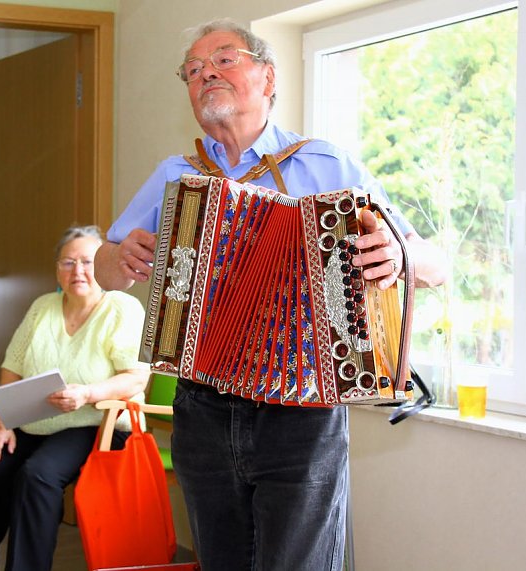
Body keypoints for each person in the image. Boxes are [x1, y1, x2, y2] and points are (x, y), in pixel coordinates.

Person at [94, 18, 447, 571]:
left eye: (224, 59)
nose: (205, 72)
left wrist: (402, 255)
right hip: (202, 406)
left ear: (267, 76)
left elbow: (434, 265)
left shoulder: (327, 164)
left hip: (304, 410)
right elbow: (105, 268)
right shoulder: (176, 175)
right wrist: (118, 257)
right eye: (192, 71)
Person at [0, 225, 150, 571]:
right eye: (68, 263)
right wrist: (1, 425)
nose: (78, 272)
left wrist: (88, 393)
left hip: (96, 424)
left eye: (88, 262)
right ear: (57, 269)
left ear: (103, 265)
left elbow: (137, 377)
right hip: (36, 421)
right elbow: (12, 367)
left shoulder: (123, 309)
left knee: (38, 475)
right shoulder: (43, 306)